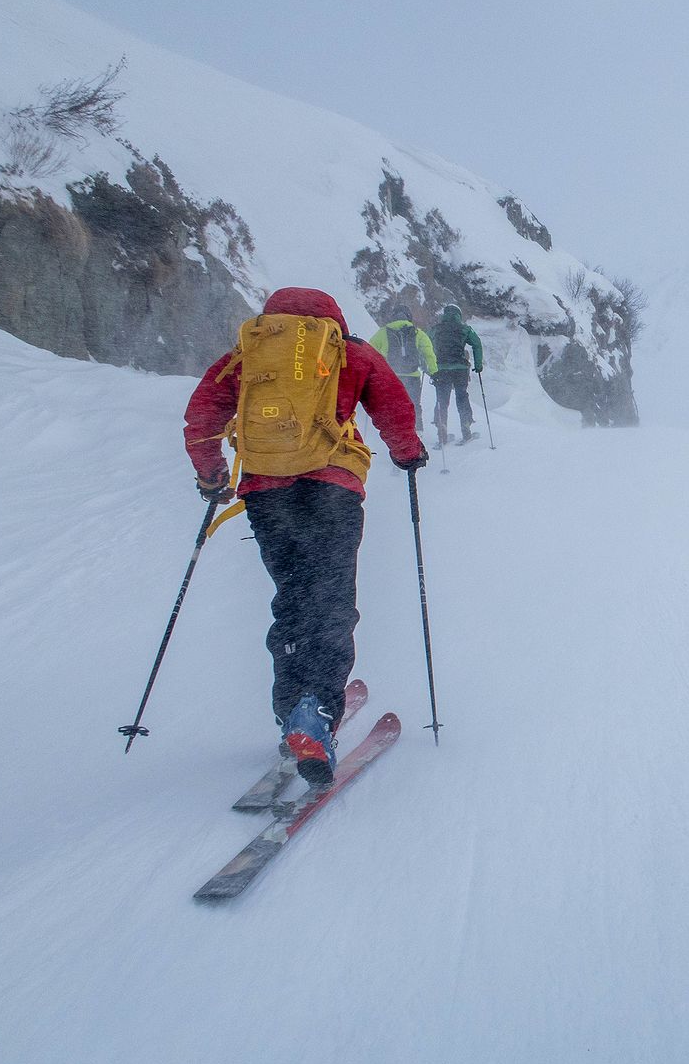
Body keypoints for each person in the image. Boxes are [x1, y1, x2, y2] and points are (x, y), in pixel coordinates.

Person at [183, 286, 428, 784]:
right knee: (332, 601)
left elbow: (202, 416)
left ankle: (292, 707)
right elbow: (394, 408)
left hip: (267, 494)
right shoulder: (348, 350)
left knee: (293, 598)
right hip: (332, 490)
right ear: (332, 316)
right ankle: (316, 714)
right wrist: (407, 453)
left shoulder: (249, 353)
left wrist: (212, 477)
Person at [367, 303, 437, 431]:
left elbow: (370, 352)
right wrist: (434, 371)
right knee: (414, 404)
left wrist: (371, 373)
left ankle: (395, 433)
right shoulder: (417, 333)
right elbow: (428, 353)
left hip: (392, 376)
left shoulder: (383, 332)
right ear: (408, 317)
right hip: (413, 376)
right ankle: (417, 431)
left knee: (393, 405)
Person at [428, 302, 483, 448]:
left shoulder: (436, 329)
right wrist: (478, 365)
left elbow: (427, 344)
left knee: (442, 399)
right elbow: (477, 344)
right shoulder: (465, 329)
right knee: (462, 397)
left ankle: (442, 432)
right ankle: (466, 428)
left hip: (441, 368)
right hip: (460, 369)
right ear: (458, 315)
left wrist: (430, 366)